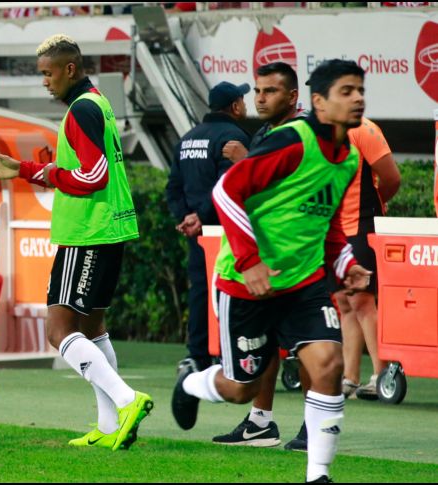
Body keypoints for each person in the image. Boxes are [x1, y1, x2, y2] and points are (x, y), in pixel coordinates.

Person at [172, 59, 373, 483]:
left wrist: (345, 263)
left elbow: (327, 222)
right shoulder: (292, 142)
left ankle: (317, 475)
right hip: (246, 284)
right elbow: (226, 190)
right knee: (240, 388)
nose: (357, 98)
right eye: (346, 91)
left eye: (360, 90)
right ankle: (193, 383)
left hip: (303, 284)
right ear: (318, 102)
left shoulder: (350, 157)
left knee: (329, 364)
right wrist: (249, 260)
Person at [0, 34, 153, 451]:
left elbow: (94, 177)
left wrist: (47, 174)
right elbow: (80, 167)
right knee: (93, 328)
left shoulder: (81, 110)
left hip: (87, 233)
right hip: (107, 230)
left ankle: (129, 401)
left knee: (59, 332)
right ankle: (110, 425)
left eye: (48, 73)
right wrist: (24, 169)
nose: (45, 82)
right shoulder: (98, 102)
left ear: (69, 69)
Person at [212, 62, 306, 448]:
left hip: (292, 262)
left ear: (294, 96)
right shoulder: (271, 132)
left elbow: (286, 189)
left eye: (271, 91)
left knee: (309, 350)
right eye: (258, 91)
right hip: (265, 262)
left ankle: (312, 427)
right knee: (264, 352)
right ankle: (261, 422)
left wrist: (243, 160)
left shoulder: (299, 135)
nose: (261, 98)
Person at [165, 80, 251, 372]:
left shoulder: (187, 138)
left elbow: (173, 188)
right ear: (235, 106)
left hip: (197, 234)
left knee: (199, 291)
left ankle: (197, 356)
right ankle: (231, 355)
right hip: (227, 233)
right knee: (232, 292)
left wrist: (186, 218)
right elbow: (230, 186)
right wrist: (202, 217)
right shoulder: (235, 137)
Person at [336, 117, 400, 400]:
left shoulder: (364, 129)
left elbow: (392, 178)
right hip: (332, 228)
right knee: (343, 301)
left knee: (362, 300)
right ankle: (350, 378)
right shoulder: (315, 130)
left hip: (362, 224)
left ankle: (381, 374)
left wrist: (375, 207)